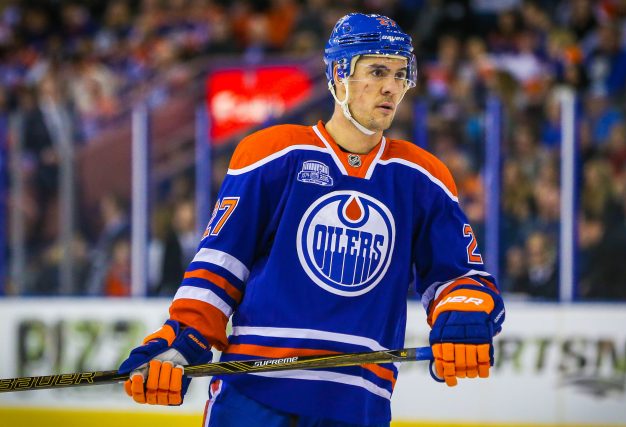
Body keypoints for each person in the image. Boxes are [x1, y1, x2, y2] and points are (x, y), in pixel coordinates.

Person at [118, 13, 506, 427]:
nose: (391, 87)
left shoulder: (422, 178)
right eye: (376, 71)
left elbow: (458, 277)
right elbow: (220, 265)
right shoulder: (272, 154)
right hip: (254, 393)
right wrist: (184, 338)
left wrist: (464, 314)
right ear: (339, 75)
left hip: (357, 402)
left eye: (399, 74)